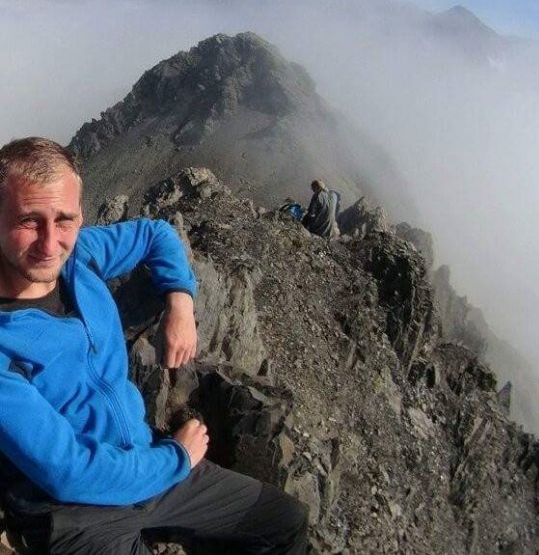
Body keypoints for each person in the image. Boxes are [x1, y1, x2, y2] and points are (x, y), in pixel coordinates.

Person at [0, 137, 308, 554]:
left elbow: (155, 233)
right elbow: (67, 471)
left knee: (285, 522)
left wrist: (180, 301)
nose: (50, 242)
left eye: (65, 220)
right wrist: (176, 458)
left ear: (80, 216)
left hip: (144, 456)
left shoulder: (79, 257)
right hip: (72, 512)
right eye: (29, 221)